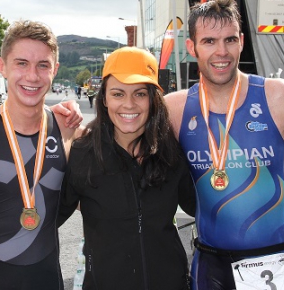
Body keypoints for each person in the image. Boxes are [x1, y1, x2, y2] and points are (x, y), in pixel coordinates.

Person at [165, 0, 284, 290]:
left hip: (277, 262)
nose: (221, 52)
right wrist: (68, 121)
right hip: (210, 263)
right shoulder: (175, 108)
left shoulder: (278, 97)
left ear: (242, 42)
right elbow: (121, 127)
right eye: (209, 41)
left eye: (230, 40)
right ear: (192, 47)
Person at [58, 47, 196, 289]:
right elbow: (45, 216)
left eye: (140, 94)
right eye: (118, 94)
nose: (129, 105)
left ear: (153, 99)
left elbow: (199, 205)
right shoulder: (82, 153)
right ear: (104, 98)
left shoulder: (170, 152)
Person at [0, 20, 83, 290]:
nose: (32, 76)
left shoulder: (67, 129)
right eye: (21, 63)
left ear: (55, 70)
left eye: (43, 65)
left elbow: (91, 198)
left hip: (47, 278)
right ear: (2, 66)